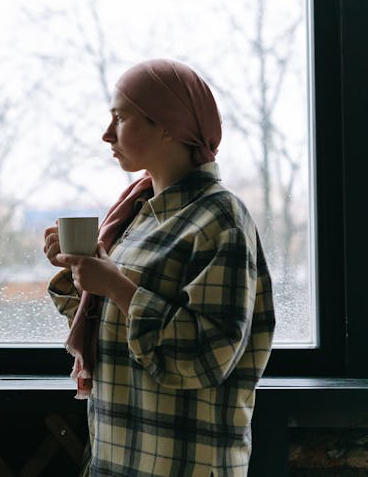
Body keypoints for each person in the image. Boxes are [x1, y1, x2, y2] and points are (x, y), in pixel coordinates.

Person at [43, 58, 276, 476]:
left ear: (168, 125)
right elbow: (114, 327)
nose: (106, 134)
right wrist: (80, 270)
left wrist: (115, 285)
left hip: (180, 464)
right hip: (118, 457)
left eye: (120, 118)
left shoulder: (220, 218)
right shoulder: (137, 215)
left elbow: (208, 356)